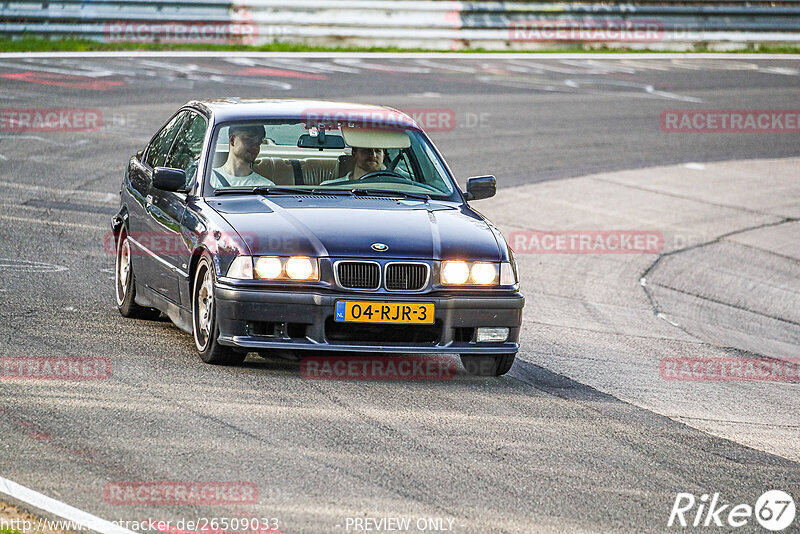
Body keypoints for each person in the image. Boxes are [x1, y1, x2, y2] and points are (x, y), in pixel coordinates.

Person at [320, 147, 386, 185]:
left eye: (378, 151)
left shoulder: (392, 189)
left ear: (383, 157)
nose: (373, 155)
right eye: (367, 150)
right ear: (354, 154)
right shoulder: (328, 187)